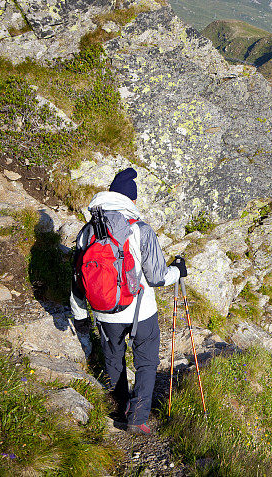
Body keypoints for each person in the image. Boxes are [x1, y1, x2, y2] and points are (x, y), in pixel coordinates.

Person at [70, 167, 185, 435]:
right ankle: (137, 418)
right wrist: (178, 270)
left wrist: (79, 314)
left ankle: (121, 405)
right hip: (141, 311)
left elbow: (77, 276)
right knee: (145, 362)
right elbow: (156, 278)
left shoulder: (88, 231)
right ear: (131, 200)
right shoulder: (141, 229)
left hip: (104, 312)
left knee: (114, 358)